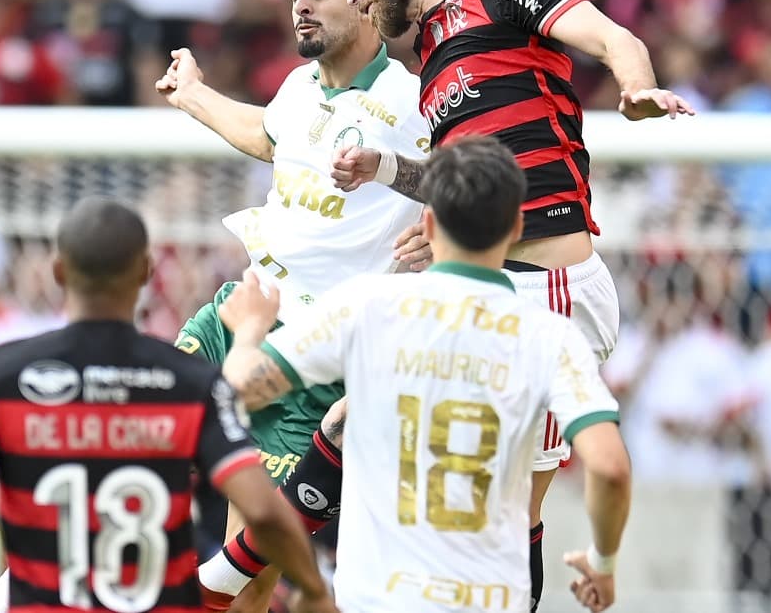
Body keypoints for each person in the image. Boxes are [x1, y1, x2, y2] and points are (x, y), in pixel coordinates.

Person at [315, 0, 691, 610]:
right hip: (491, 283)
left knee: (508, 512)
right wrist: (388, 172)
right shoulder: (430, 54)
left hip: (546, 286)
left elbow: (619, 41)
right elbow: (472, 185)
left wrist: (637, 92)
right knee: (367, 432)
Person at [218, 137, 632, 613]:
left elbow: (240, 390)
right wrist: (602, 560)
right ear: (516, 224)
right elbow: (609, 467)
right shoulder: (551, 338)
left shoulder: (367, 306)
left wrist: (250, 330)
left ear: (429, 223)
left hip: (378, 599)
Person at [158, 0, 430, 612]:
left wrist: (438, 237)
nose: (301, 8)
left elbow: (470, 184)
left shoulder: (409, 101)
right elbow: (272, 136)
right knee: (132, 442)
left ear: (364, 2)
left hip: (317, 358)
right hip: (242, 311)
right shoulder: (299, 86)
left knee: (247, 577)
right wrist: (193, 95)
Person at [0, 197, 337, 613]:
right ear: (146, 273)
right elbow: (263, 511)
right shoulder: (187, 381)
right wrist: (314, 590)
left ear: (59, 272)